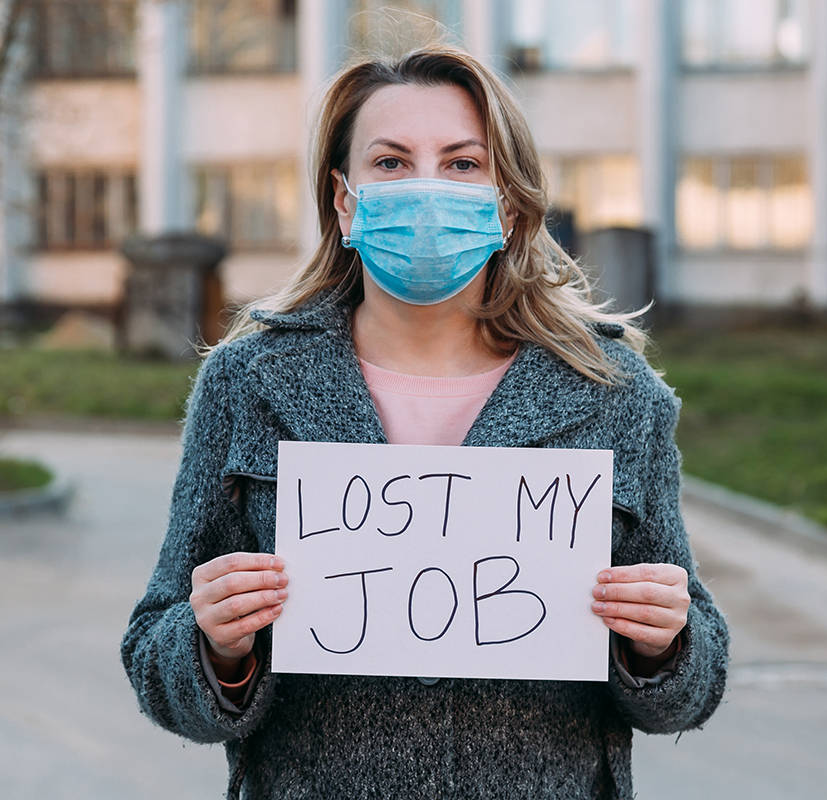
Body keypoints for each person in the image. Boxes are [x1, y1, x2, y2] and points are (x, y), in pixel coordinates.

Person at [121, 43, 729, 800]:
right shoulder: (249, 383)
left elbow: (690, 687)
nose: (427, 189)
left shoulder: (612, 391)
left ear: (507, 205)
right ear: (344, 202)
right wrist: (215, 646)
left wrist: (663, 644)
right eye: (391, 162)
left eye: (463, 164)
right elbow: (155, 654)